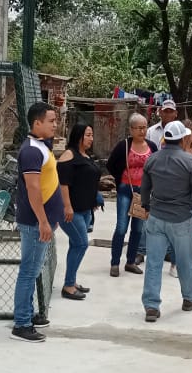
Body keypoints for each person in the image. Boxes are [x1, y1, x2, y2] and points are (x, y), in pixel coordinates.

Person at [138, 120, 192, 322]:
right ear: (182, 139)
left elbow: (144, 188)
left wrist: (146, 206)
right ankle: (190, 298)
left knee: (153, 263)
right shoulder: (190, 162)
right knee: (185, 261)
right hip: (181, 219)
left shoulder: (152, 159)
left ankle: (151, 306)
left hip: (156, 218)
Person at [12, 102, 64, 343]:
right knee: (29, 271)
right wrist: (43, 221)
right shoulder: (32, 151)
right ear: (37, 123)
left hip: (41, 221)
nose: (55, 124)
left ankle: (27, 313)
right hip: (35, 222)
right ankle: (22, 324)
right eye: (51, 121)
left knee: (32, 270)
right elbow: (33, 189)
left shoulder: (42, 146)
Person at [105, 113, 156, 277]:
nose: (142, 131)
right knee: (121, 227)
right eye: (138, 128)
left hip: (143, 192)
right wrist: (120, 179)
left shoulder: (152, 146)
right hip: (126, 190)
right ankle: (115, 263)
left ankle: (130, 261)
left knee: (138, 228)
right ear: (131, 129)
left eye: (144, 127)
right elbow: (111, 164)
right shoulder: (124, 146)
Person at [57, 123, 100, 300]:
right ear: (78, 136)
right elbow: (63, 183)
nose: (91, 138)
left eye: (92, 135)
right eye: (88, 135)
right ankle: (68, 286)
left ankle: (71, 281)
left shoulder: (86, 156)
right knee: (81, 243)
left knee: (75, 245)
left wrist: (93, 201)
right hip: (71, 211)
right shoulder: (69, 155)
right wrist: (67, 206)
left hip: (85, 210)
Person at [169, 119, 192, 278]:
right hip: (180, 198)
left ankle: (189, 264)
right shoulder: (178, 153)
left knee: (190, 234)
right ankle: (174, 265)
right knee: (178, 235)